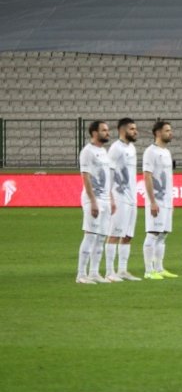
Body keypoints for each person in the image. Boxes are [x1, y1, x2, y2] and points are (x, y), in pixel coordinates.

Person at [76, 120, 115, 284]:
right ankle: (81, 274)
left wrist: (111, 198)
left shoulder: (104, 151)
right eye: (104, 130)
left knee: (101, 237)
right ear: (94, 133)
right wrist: (93, 201)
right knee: (90, 235)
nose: (108, 133)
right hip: (94, 199)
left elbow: (107, 178)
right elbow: (85, 177)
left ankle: (94, 272)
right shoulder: (87, 152)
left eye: (108, 130)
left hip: (105, 199)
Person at [105, 117, 140, 281]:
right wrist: (110, 197)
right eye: (132, 129)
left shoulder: (131, 148)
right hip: (119, 197)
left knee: (128, 235)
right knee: (114, 233)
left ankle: (122, 270)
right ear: (122, 130)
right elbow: (109, 174)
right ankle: (110, 271)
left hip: (132, 198)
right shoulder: (115, 149)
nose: (135, 131)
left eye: (135, 128)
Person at [142, 121, 177, 280]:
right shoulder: (151, 152)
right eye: (167, 130)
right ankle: (148, 270)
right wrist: (152, 201)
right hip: (156, 200)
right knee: (153, 233)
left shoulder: (167, 152)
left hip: (167, 201)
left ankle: (159, 268)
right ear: (157, 133)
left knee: (163, 234)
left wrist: (171, 201)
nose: (170, 133)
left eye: (170, 130)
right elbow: (147, 176)